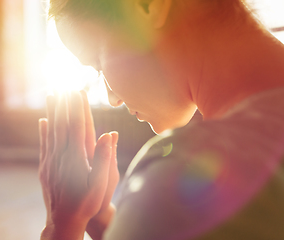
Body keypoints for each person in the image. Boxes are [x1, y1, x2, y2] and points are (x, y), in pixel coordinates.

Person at [38, 0, 284, 239]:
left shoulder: (184, 178)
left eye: (98, 62)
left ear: (147, 5)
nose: (113, 98)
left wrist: (61, 227)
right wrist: (102, 220)